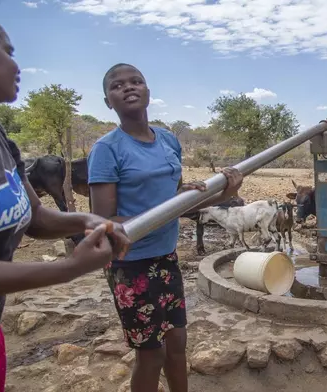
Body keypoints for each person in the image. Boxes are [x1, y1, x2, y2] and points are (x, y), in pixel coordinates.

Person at [0, 6, 130, 392]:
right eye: (8, 51)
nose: (17, 65)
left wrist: (83, 221)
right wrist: (67, 269)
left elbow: (34, 216)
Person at [88, 63, 243, 392]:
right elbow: (104, 224)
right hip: (130, 264)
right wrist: (166, 207)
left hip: (165, 257)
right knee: (152, 354)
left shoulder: (169, 140)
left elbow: (179, 203)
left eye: (136, 81)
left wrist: (225, 193)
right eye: (117, 85)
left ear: (148, 92)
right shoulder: (107, 149)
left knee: (177, 345)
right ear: (107, 101)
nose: (129, 87)